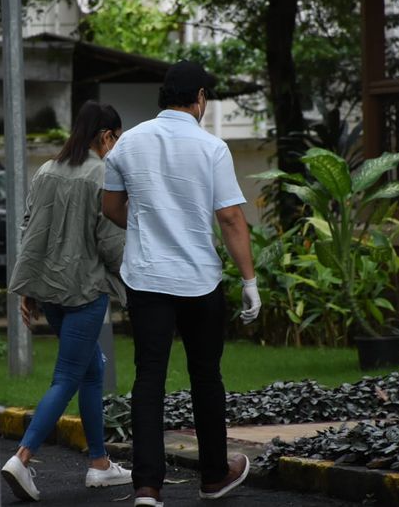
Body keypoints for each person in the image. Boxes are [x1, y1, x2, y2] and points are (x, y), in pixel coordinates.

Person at [102, 60, 261, 507]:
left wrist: (142, 226)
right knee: (206, 377)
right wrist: (250, 281)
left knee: (148, 379)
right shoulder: (212, 148)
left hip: (147, 278)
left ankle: (147, 487)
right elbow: (230, 217)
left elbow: (111, 206)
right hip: (200, 280)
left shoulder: (128, 143)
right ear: (200, 99)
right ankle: (213, 476)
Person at [1, 101, 132, 501]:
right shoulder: (102, 174)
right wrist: (134, 276)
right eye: (116, 139)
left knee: (93, 368)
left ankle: (99, 464)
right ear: (106, 136)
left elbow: (30, 229)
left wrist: (28, 288)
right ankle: (22, 457)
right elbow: (111, 242)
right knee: (67, 376)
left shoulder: (46, 170)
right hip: (84, 292)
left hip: (49, 292)